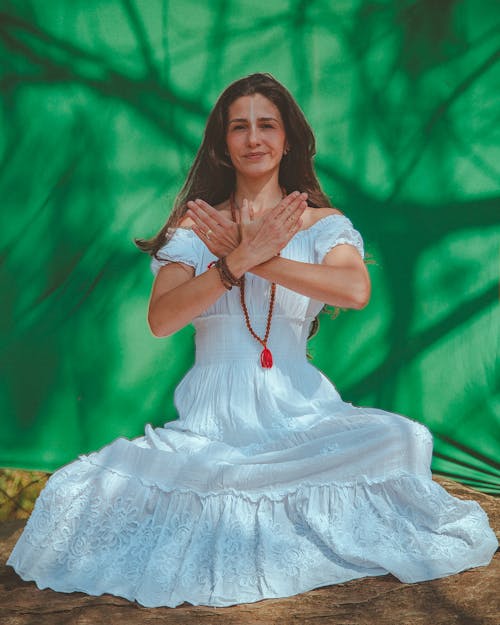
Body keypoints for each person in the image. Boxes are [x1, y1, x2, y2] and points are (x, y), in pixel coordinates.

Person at [8, 73, 497, 608]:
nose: (254, 138)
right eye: (239, 127)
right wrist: (233, 261)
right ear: (222, 142)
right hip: (211, 419)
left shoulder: (320, 224)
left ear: (289, 140)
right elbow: (162, 319)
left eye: (267, 125)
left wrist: (261, 253)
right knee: (85, 487)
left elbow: (355, 289)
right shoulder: (193, 230)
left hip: (303, 412)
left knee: (400, 440)